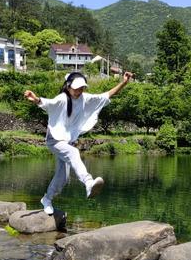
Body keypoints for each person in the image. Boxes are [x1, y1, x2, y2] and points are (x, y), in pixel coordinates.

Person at [24, 71, 133, 215]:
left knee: (63, 178)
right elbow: (49, 104)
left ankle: (47, 199)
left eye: (81, 88)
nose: (79, 91)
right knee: (74, 152)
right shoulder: (62, 98)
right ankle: (88, 183)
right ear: (68, 87)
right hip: (54, 140)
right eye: (76, 88)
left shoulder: (85, 98)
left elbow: (106, 95)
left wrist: (123, 83)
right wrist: (36, 99)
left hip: (67, 141)